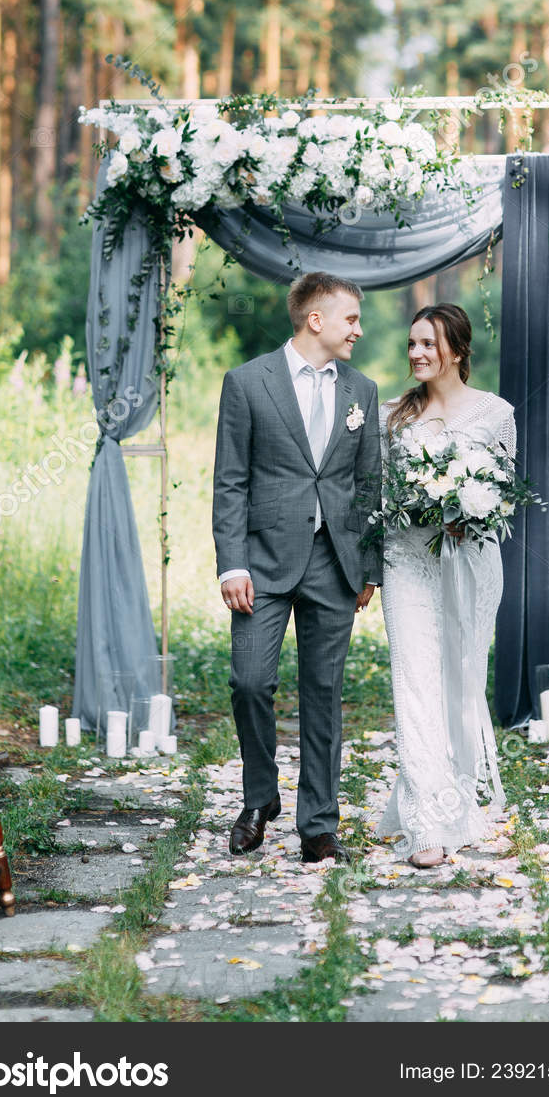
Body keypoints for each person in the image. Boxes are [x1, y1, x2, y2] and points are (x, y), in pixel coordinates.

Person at [212, 271, 382, 864]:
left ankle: (318, 823)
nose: (359, 330)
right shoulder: (247, 382)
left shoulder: (362, 390)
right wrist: (231, 563)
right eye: (351, 320)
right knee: (250, 681)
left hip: (334, 564)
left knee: (324, 693)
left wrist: (370, 567)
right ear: (317, 320)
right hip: (261, 563)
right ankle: (260, 798)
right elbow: (230, 481)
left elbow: (368, 486)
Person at [377, 304, 516, 867]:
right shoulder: (393, 417)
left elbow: (505, 494)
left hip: (471, 564)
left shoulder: (496, 412)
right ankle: (426, 827)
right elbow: (379, 497)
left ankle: (459, 803)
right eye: (411, 344)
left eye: (428, 344)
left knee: (459, 684)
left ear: (456, 350)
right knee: (414, 683)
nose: (416, 354)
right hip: (406, 562)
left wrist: (468, 506)